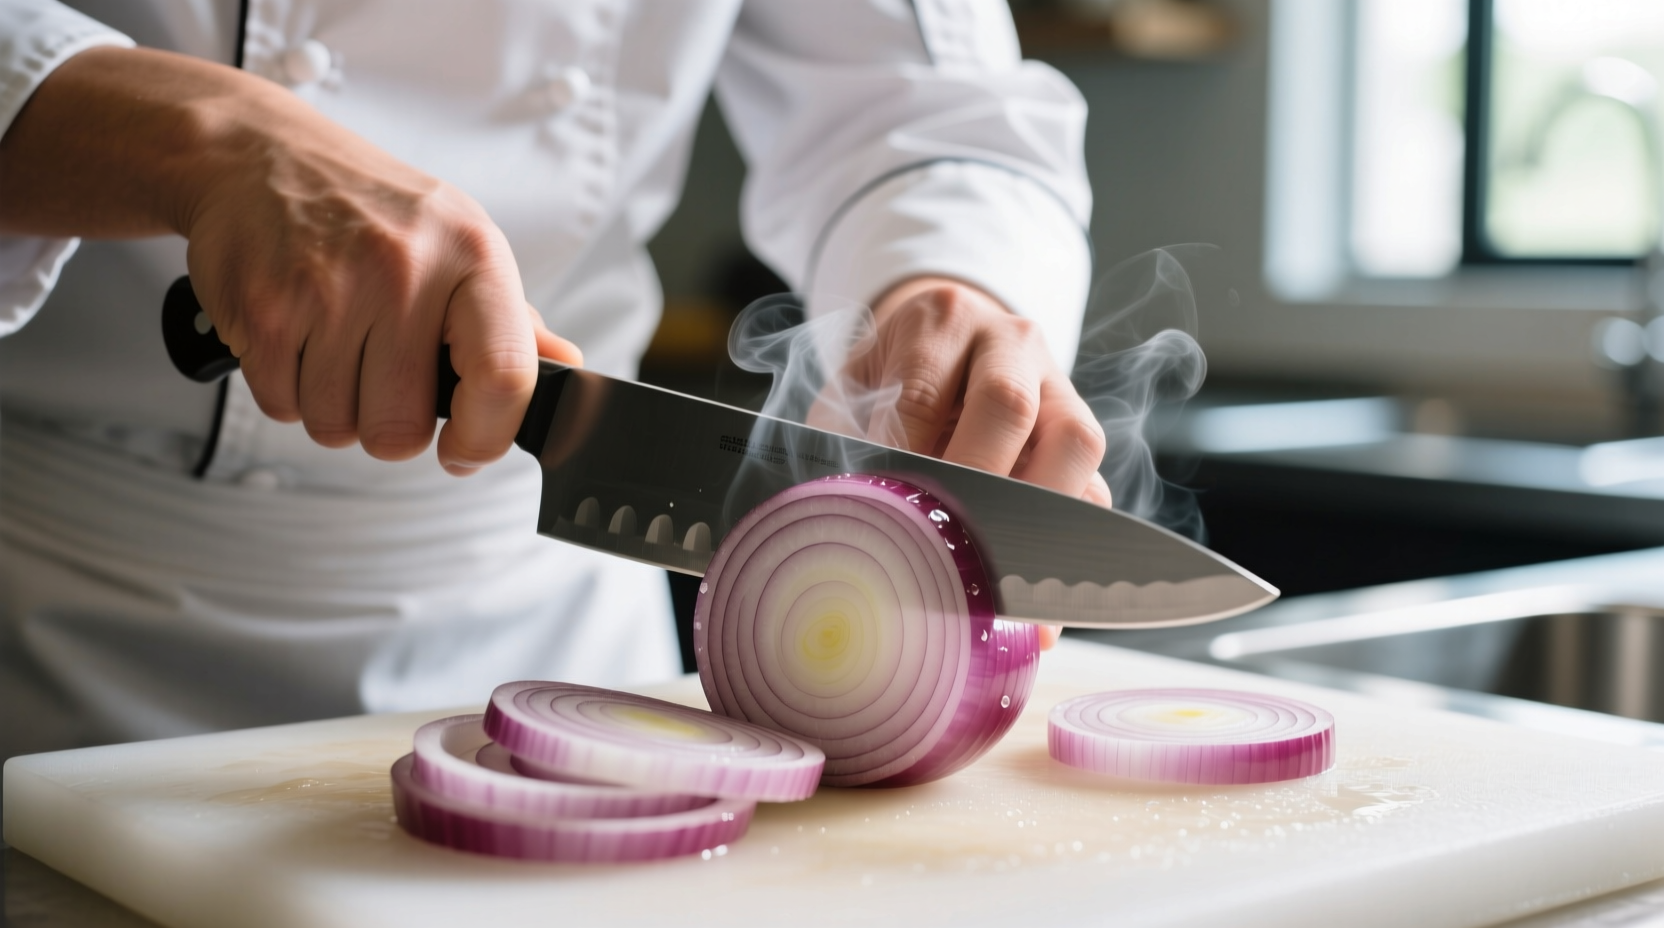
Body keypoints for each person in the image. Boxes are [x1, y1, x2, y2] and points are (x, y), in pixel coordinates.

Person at [0, 0, 1108, 761]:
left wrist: (951, 280)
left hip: (546, 634)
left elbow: (925, 98)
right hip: (41, 607)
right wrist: (199, 136)